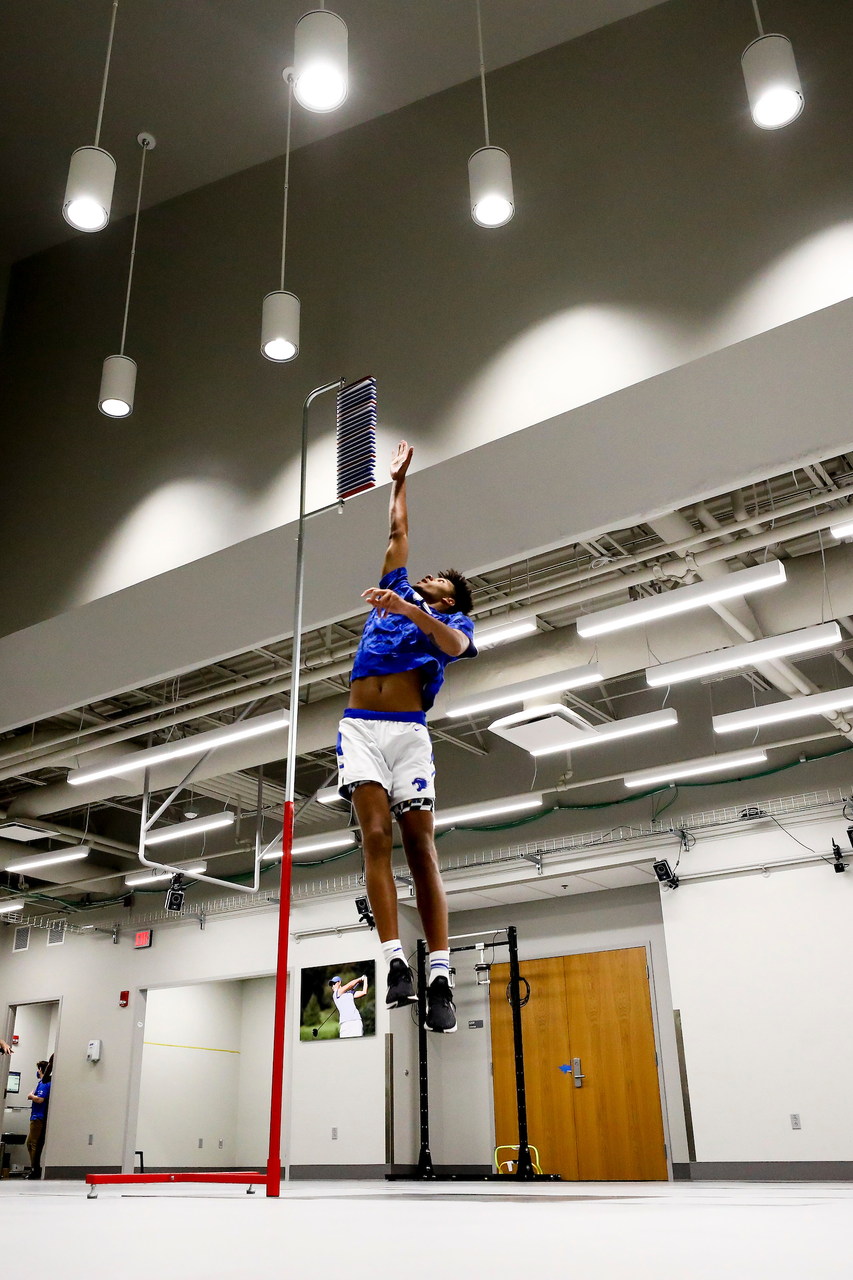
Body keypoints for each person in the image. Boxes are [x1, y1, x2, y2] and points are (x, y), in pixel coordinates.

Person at [336, 440, 477, 1034]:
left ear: (448, 599)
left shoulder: (449, 620)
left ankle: (440, 973)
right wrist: (397, 483)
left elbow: (455, 646)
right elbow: (397, 534)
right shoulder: (393, 591)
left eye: (433, 584)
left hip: (409, 736)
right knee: (374, 836)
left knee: (420, 849)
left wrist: (412, 607)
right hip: (361, 728)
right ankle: (396, 964)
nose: (421, 580)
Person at [26, 1059, 51, 1180]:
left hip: (38, 1117)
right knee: (29, 1143)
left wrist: (31, 1096)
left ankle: (35, 1169)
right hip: (35, 1116)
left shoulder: (45, 1083)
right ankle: (33, 1167)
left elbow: (40, 1099)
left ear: (40, 1070)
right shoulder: (43, 1082)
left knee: (34, 1144)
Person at [330, 974, 369, 1039]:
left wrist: (365, 979)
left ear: (339, 982)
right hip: (345, 1024)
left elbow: (364, 992)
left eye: (334, 983)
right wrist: (360, 979)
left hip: (356, 1022)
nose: (333, 986)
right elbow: (350, 985)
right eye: (331, 984)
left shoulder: (350, 993)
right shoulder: (336, 994)